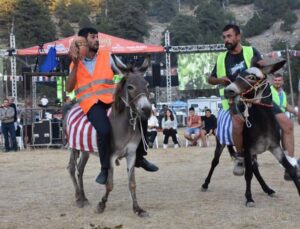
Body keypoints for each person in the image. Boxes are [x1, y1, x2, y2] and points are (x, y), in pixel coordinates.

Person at [66, 27, 158, 185]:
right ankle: (104, 168)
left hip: (110, 99)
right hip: (91, 104)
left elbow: (124, 72)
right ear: (82, 42)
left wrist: (136, 75)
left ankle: (140, 157)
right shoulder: (75, 63)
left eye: (97, 37)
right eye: (93, 37)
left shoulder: (107, 57)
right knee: (104, 129)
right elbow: (69, 88)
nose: (96, 40)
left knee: (141, 114)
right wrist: (75, 64)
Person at [208, 24, 266, 176]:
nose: (226, 40)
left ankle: (286, 157)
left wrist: (264, 66)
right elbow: (210, 79)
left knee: (283, 122)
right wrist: (220, 80)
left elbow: (261, 68)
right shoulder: (221, 58)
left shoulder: (251, 51)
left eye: (229, 36)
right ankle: (240, 155)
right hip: (234, 100)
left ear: (238, 37)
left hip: (254, 97)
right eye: (224, 37)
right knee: (237, 123)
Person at [271, 73, 298, 180]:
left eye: (279, 80)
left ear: (282, 82)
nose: (277, 82)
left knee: (286, 137)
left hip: (281, 118)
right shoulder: (269, 90)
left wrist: (296, 111)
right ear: (272, 81)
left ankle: (288, 164)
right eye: (275, 80)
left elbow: (286, 106)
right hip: (272, 117)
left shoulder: (283, 93)